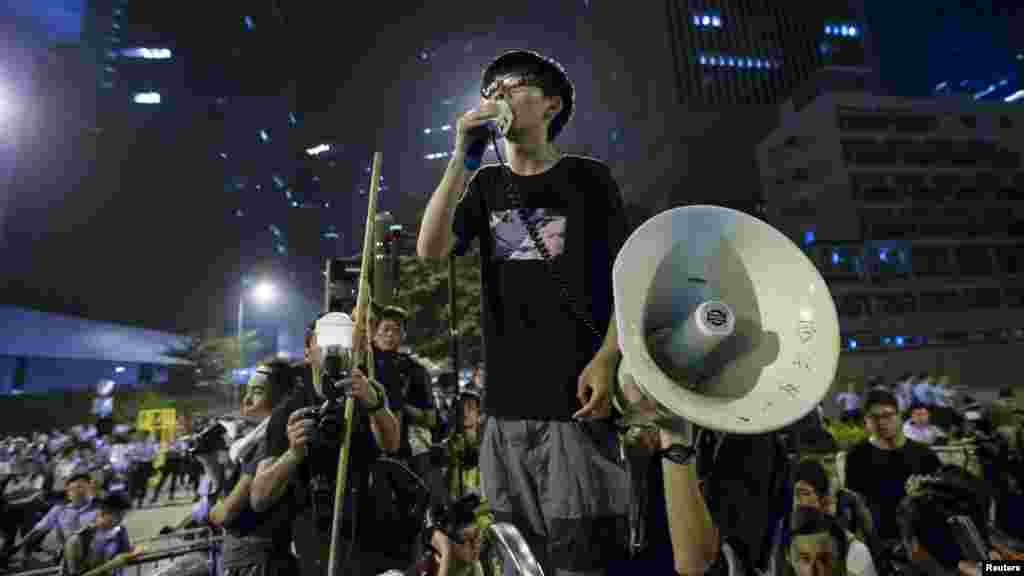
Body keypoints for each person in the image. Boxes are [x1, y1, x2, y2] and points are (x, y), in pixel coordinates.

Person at [416, 48, 631, 576]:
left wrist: (607, 359)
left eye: (511, 86)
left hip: (575, 406)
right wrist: (460, 162)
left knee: (581, 553)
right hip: (504, 410)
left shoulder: (589, 179)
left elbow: (628, 282)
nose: (497, 98)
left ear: (552, 105)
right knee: (518, 556)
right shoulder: (485, 186)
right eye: (490, 90)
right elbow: (430, 249)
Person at [250, 313, 401, 576]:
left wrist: (374, 404)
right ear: (308, 351)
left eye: (343, 340)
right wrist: (294, 453)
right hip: (317, 544)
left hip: (371, 535)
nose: (335, 349)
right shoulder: (289, 410)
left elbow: (391, 444)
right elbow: (259, 497)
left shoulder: (369, 390)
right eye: (327, 340)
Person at [199, 359, 300, 576]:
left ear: (282, 396)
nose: (246, 400)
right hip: (246, 559)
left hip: (257, 563)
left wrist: (213, 512)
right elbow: (226, 493)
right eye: (247, 390)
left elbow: (226, 514)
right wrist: (208, 461)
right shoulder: (251, 442)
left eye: (257, 391)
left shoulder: (269, 443)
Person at [845, 389, 941, 544]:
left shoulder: (924, 455)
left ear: (899, 416)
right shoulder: (857, 455)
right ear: (866, 420)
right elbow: (854, 502)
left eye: (887, 415)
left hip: (920, 540)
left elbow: (939, 501)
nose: (882, 422)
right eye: (874, 417)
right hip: (877, 540)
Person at [786, 459, 877, 576]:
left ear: (822, 500)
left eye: (804, 493)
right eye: (793, 494)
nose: (797, 501)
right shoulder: (784, 540)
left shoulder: (854, 551)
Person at [62, 494, 132, 576]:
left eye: (122, 516)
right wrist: (112, 564)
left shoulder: (120, 531)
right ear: (102, 513)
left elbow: (126, 552)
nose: (120, 521)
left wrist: (132, 554)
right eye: (118, 516)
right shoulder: (78, 539)